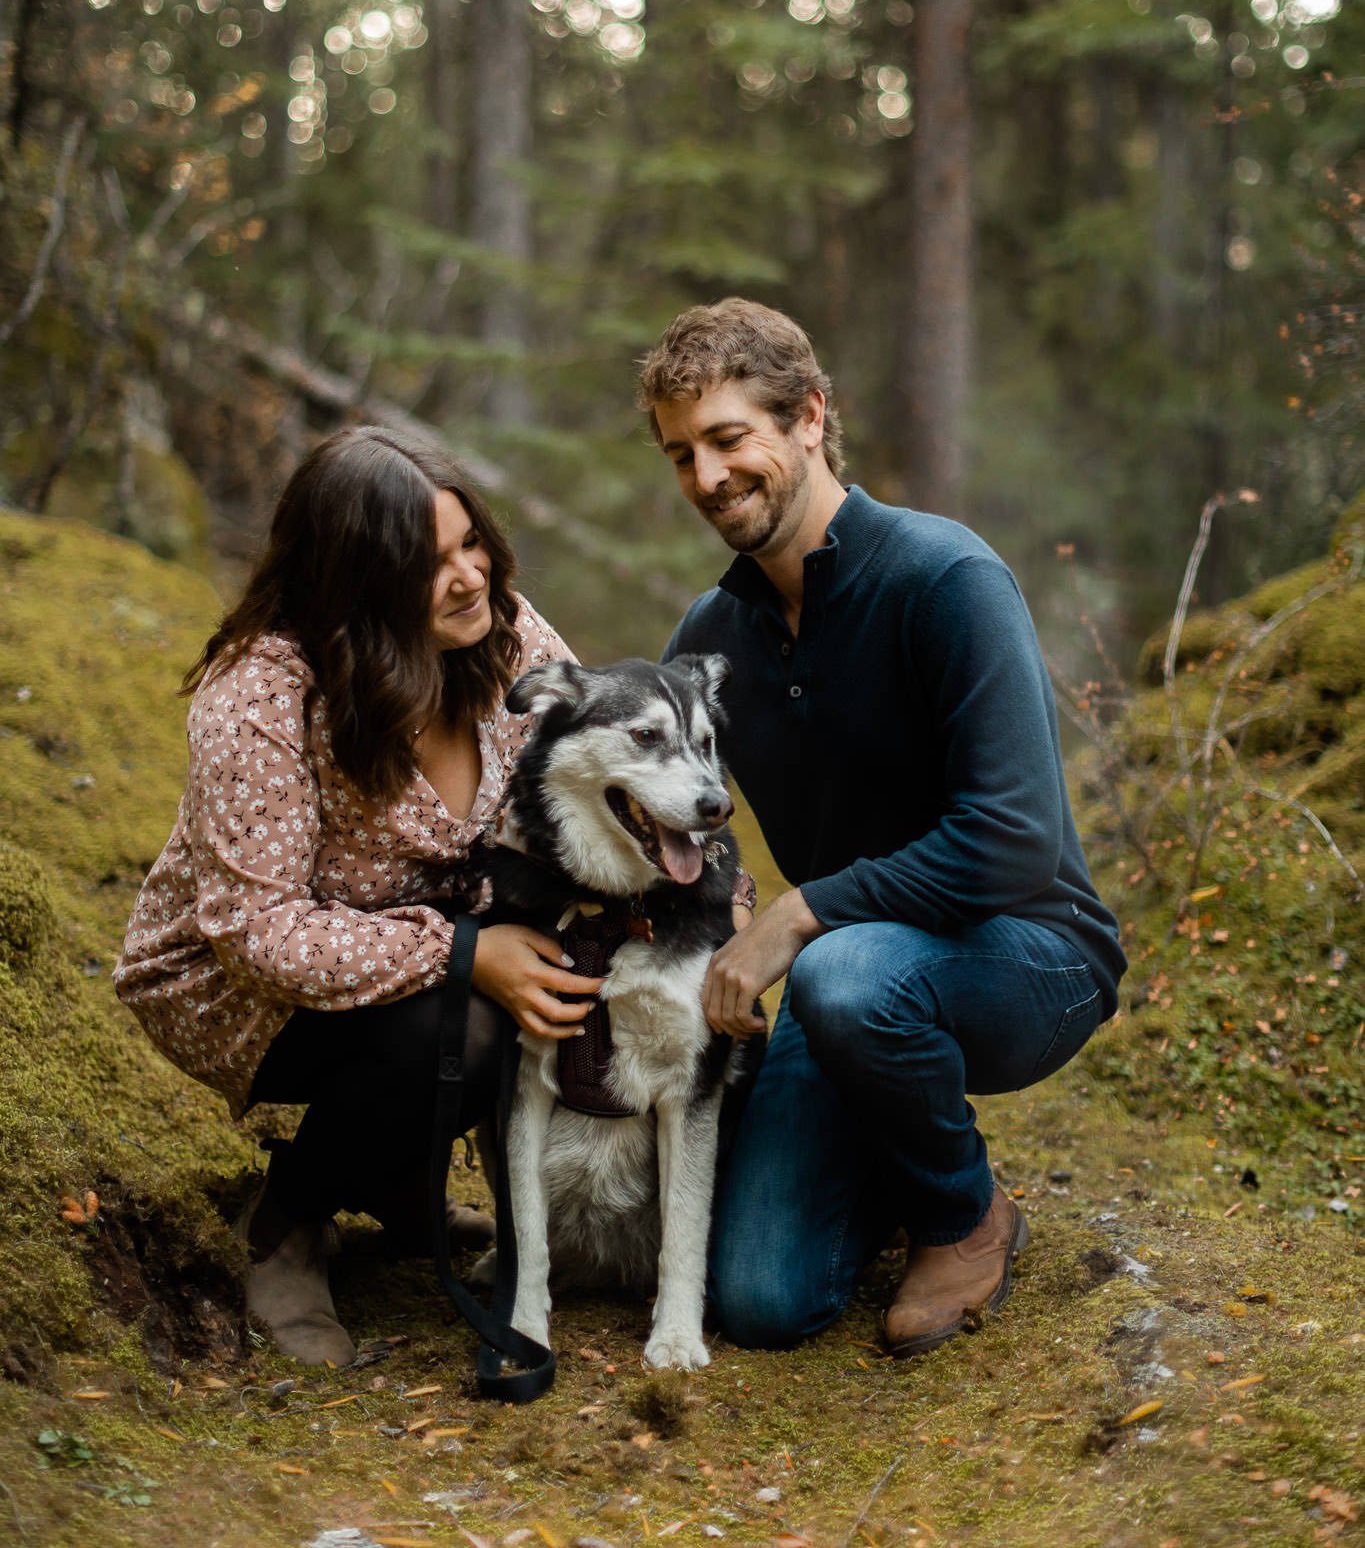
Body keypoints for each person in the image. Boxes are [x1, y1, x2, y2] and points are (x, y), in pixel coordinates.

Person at [638, 299, 1127, 1357]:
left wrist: (799, 913)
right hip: (846, 974)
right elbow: (670, 806)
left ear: (809, 416)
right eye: (682, 454)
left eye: (729, 437)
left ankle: (966, 1214)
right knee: (762, 1295)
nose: (708, 476)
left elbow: (1012, 839)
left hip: (1028, 954)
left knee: (848, 977)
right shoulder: (710, 635)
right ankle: (887, 1147)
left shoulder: (945, 579)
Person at [114, 426, 602, 1366]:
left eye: (472, 544)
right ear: (353, 579)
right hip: (238, 989)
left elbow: (597, 756)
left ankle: (390, 1177)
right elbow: (256, 934)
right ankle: (289, 1222)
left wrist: (715, 886)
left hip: (419, 950)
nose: (468, 576)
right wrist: (467, 954)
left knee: (557, 976)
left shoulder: (499, 630)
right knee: (465, 1023)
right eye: (429, 562)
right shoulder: (259, 695)